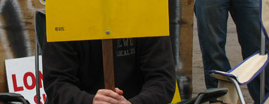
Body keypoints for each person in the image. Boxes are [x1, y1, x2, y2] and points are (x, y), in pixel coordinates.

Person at [43, 37, 176, 104]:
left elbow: (162, 80)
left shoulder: (147, 10)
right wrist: (90, 101)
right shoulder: (64, 15)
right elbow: (57, 83)